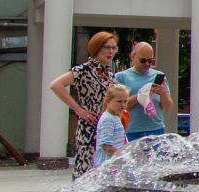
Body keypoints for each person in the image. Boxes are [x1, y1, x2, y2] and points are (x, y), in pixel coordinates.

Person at [48, 31, 118, 178]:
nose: (111, 51)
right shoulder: (84, 70)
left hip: (106, 126)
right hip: (89, 125)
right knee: (84, 169)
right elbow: (56, 85)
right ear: (97, 48)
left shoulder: (110, 74)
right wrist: (78, 109)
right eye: (107, 47)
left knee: (104, 169)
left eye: (113, 48)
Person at [114, 41, 174, 149]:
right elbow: (117, 107)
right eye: (143, 60)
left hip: (156, 130)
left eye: (150, 61)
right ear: (133, 57)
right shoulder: (121, 77)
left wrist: (162, 93)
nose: (147, 64)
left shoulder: (159, 76)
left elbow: (167, 107)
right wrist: (141, 95)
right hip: (131, 131)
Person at [94, 82, 132, 168]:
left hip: (114, 164)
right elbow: (106, 146)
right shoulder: (108, 119)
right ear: (108, 101)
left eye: (125, 101)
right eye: (119, 101)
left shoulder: (115, 117)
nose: (123, 105)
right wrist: (123, 154)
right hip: (106, 165)